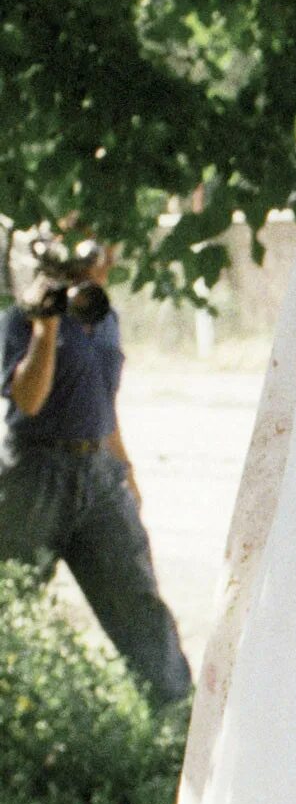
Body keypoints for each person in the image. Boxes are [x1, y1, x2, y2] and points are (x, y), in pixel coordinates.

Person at [0, 240, 191, 705]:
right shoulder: (20, 319)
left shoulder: (105, 319)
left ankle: (178, 729)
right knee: (13, 605)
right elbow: (28, 401)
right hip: (34, 477)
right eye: (91, 255)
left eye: (104, 253)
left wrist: (125, 470)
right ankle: (18, 734)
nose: (103, 262)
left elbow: (105, 402)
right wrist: (45, 331)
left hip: (100, 476)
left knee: (139, 605)